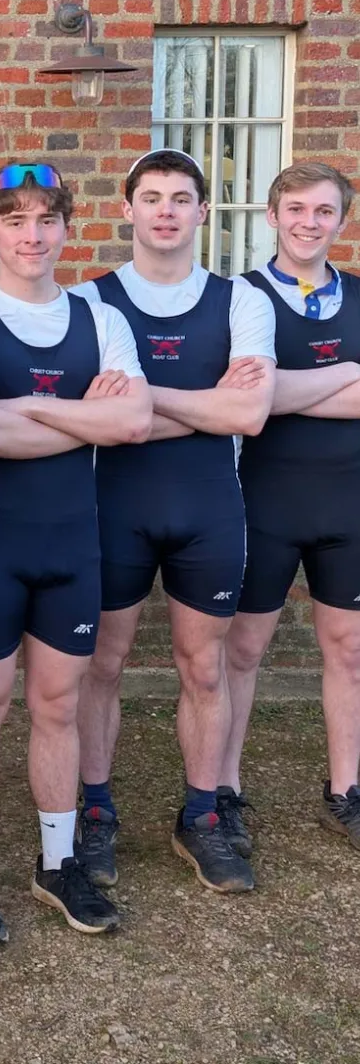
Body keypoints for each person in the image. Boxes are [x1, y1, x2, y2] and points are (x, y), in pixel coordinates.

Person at [0, 165, 151, 946]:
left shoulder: (98, 318)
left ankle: (57, 861)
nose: (31, 235)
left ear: (68, 227)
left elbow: (132, 421)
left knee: (59, 705)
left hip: (74, 544)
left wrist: (28, 405)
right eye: (15, 220)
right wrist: (78, 416)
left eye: (45, 219)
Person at [70, 148, 275, 894]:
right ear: (125, 209)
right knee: (103, 664)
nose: (165, 210)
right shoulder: (89, 304)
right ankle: (94, 810)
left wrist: (142, 403)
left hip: (209, 511)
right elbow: (95, 423)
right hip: (113, 508)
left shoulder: (239, 301)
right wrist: (200, 402)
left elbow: (248, 412)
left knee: (203, 665)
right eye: (150, 197)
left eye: (180, 198)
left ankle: (203, 814)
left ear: (201, 212)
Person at [221, 162, 360, 849]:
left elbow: (273, 394)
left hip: (348, 503)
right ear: (271, 216)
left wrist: (283, 388)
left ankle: (346, 789)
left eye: (324, 211)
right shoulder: (241, 299)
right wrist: (343, 375)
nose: (310, 223)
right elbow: (248, 405)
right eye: (296, 209)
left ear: (341, 221)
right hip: (263, 501)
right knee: (242, 649)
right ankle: (223, 788)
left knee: (350, 648)